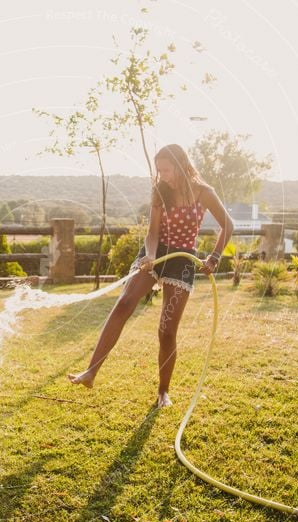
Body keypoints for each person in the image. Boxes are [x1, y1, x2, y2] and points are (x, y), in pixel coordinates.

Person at [68, 144, 234, 407]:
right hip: (155, 254)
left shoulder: (204, 192)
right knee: (124, 303)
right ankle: (91, 372)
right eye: (160, 170)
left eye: (167, 170)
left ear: (180, 165)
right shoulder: (160, 190)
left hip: (183, 260)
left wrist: (214, 258)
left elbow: (228, 225)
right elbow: (153, 233)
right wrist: (150, 255)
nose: (163, 175)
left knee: (166, 331)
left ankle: (163, 392)